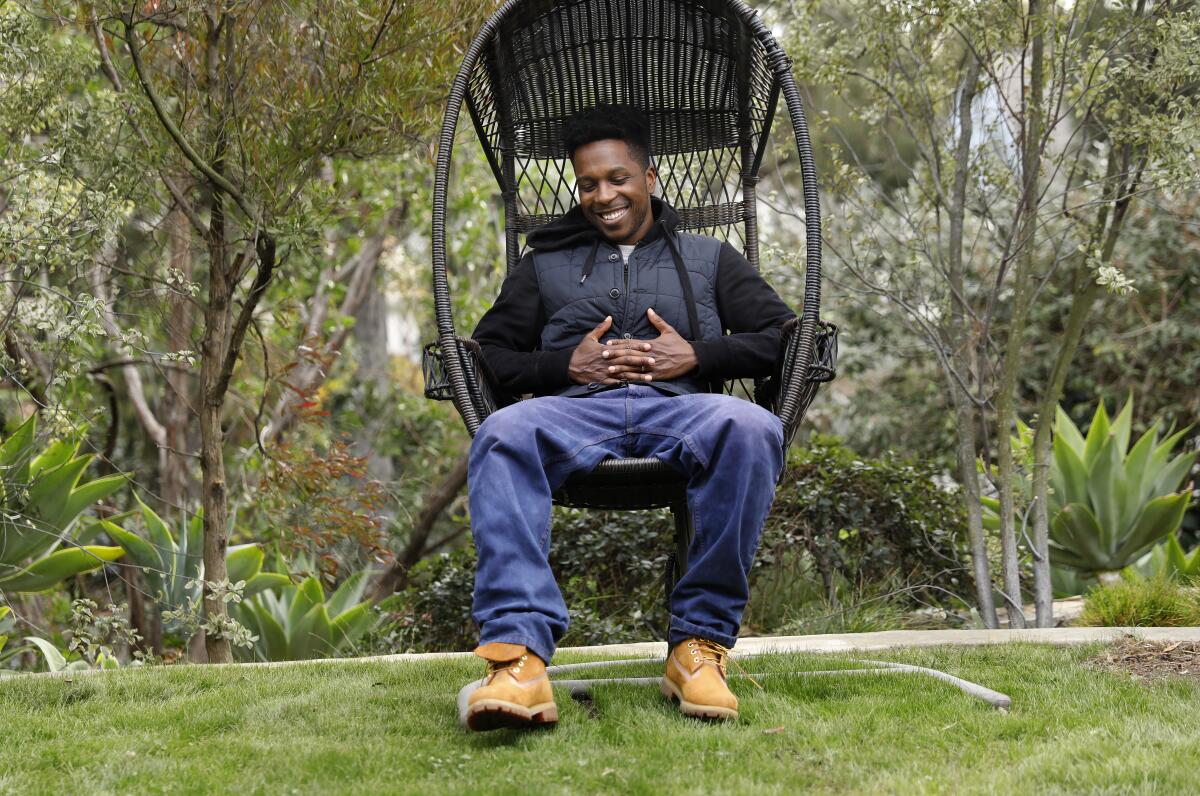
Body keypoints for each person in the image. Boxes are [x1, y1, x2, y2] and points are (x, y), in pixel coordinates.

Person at [463, 104, 794, 731]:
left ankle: (698, 647)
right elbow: (492, 355)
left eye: (617, 178)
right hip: (575, 412)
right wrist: (567, 366)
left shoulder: (709, 257)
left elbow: (782, 336)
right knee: (502, 432)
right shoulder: (543, 265)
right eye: (588, 183)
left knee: (752, 427)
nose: (602, 195)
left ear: (647, 177)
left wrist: (697, 353)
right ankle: (519, 660)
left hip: (682, 409)